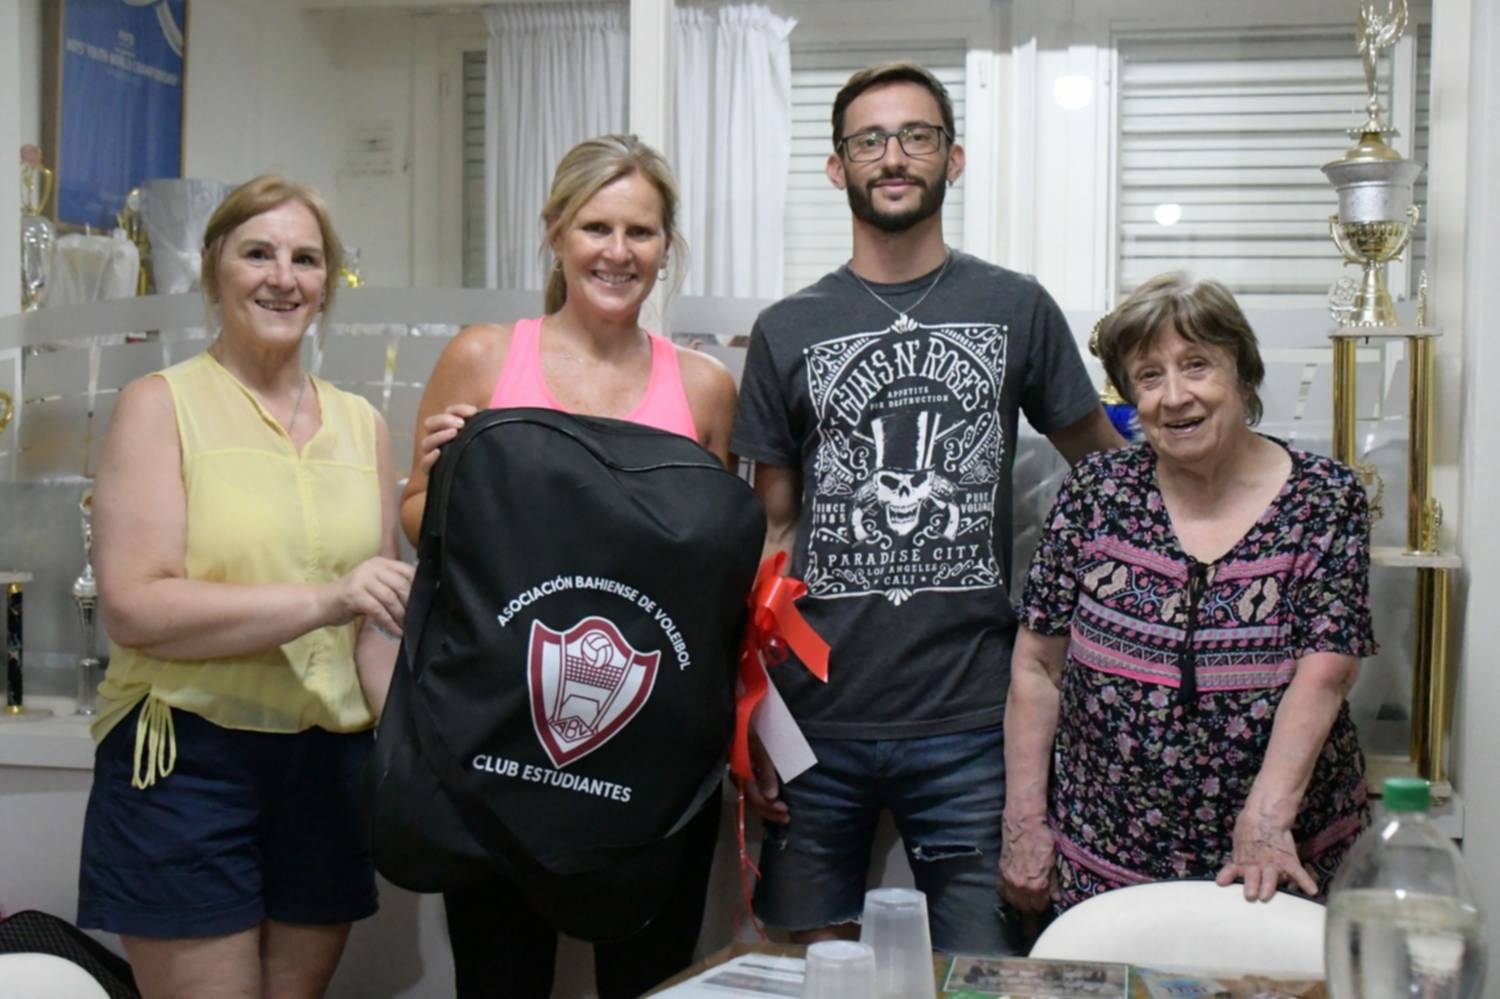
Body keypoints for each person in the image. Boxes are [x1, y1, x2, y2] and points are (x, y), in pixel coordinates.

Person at [730, 61, 1124, 955]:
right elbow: (772, 529)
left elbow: (1107, 474)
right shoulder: (787, 328)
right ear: (837, 166)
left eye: (916, 135)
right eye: (869, 139)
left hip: (972, 720)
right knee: (811, 969)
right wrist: (750, 707)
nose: (894, 156)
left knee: (985, 969)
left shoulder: (1015, 306)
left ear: (955, 157)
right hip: (814, 719)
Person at [399, 133, 738, 999]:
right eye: (596, 227)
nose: (617, 252)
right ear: (555, 233)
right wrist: (448, 489)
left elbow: (712, 578)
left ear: (666, 246)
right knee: (499, 982)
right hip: (500, 746)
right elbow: (416, 520)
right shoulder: (484, 357)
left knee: (651, 983)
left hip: (650, 762)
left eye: (641, 232)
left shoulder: (703, 388)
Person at [77, 175, 414, 998]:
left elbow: (373, 625)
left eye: (306, 259)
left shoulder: (362, 425)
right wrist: (326, 599)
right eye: (258, 253)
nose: (282, 277)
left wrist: (414, 751)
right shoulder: (159, 406)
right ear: (214, 269)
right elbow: (135, 606)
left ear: (327, 283)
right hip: (188, 760)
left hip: (329, 766)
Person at [998, 272, 1375, 917]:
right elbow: (1038, 668)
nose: (1175, 397)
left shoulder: (1325, 498)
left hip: (1274, 859)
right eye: (1149, 376)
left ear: (1243, 374)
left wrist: (1266, 819)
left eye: (1197, 365)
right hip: (1104, 863)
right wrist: (1025, 824)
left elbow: (1327, 672)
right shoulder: (1095, 493)